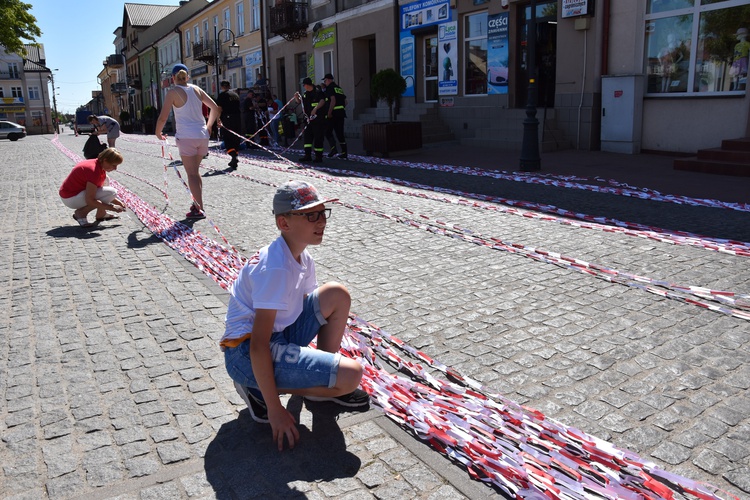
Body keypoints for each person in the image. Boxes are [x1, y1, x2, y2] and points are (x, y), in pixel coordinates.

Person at [221, 180, 369, 450]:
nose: (321, 221)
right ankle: (259, 392)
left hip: (277, 336)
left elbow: (300, 310)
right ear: (284, 223)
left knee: (336, 294)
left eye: (323, 213)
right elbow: (258, 344)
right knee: (351, 376)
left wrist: (313, 364)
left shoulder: (303, 257)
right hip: (244, 353)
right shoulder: (275, 268)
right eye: (311, 214)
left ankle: (322, 391)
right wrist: (276, 409)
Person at [155, 64, 220, 220]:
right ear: (187, 77)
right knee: (195, 173)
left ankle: (199, 208)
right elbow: (215, 108)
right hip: (202, 135)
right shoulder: (197, 90)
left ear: (173, 78)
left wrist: (157, 132)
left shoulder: (173, 92)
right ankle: (197, 203)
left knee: (191, 174)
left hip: (186, 137)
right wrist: (209, 126)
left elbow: (163, 117)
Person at [59, 147, 126, 227]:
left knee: (106, 180)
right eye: (113, 165)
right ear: (105, 160)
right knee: (112, 192)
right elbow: (90, 200)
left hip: (73, 194)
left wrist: (118, 203)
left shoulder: (97, 164)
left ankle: (101, 213)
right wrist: (111, 207)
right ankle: (81, 213)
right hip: (70, 198)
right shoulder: (94, 171)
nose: (115, 168)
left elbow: (101, 193)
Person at [296, 77, 327, 163]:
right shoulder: (306, 94)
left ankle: (318, 156)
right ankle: (307, 155)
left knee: (318, 137)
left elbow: (322, 101)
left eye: (304, 85)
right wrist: (297, 98)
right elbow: (300, 102)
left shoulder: (318, 92)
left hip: (318, 120)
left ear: (307, 85)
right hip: (308, 120)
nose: (303, 87)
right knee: (307, 138)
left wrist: (315, 108)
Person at [216, 81, 242, 170]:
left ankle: (233, 156)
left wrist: (217, 119)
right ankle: (235, 156)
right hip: (238, 118)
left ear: (222, 87)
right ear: (229, 86)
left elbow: (219, 108)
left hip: (228, 119)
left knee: (228, 138)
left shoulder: (222, 95)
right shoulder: (236, 95)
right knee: (236, 138)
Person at [321, 73, 348, 159]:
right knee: (340, 133)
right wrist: (341, 108)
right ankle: (344, 152)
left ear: (329, 80)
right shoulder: (339, 88)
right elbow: (346, 102)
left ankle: (333, 149)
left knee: (327, 131)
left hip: (333, 114)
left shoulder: (330, 88)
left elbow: (333, 100)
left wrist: (329, 112)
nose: (325, 82)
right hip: (341, 113)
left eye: (325, 81)